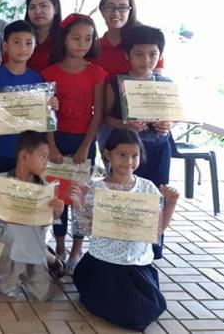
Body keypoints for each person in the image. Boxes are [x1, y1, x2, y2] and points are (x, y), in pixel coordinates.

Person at [72, 129, 178, 332]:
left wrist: (171, 204)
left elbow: (158, 229)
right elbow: (86, 228)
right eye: (122, 155)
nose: (128, 162)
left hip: (135, 262)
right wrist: (78, 204)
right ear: (107, 154)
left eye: (134, 156)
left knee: (139, 313)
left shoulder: (148, 188)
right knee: (115, 307)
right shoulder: (95, 188)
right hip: (104, 260)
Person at [42, 14, 108, 269]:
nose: (82, 43)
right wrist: (51, 146)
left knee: (79, 196)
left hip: (84, 141)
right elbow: (46, 114)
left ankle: (77, 249)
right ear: (64, 39)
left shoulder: (97, 73)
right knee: (58, 196)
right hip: (57, 140)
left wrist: (84, 147)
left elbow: (98, 113)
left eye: (88, 39)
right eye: (76, 38)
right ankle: (59, 243)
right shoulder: (50, 72)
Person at [103, 25, 172, 258]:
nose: (146, 60)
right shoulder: (115, 83)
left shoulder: (166, 84)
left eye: (153, 54)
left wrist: (169, 124)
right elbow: (105, 118)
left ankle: (151, 251)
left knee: (155, 197)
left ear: (160, 55)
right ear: (127, 55)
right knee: (126, 197)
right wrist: (125, 125)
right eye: (139, 54)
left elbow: (174, 117)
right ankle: (121, 248)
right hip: (126, 152)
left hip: (159, 149)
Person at [0, 131, 65, 301]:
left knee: (43, 295)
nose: (46, 162)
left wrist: (57, 210)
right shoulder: (0, 182)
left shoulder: (46, 188)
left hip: (34, 248)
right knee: (5, 289)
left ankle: (50, 259)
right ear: (25, 156)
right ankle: (43, 258)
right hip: (10, 247)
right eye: (42, 157)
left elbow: (49, 220)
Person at [0, 21, 44, 175]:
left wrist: (49, 106)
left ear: (35, 46)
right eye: (16, 42)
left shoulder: (38, 79)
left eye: (28, 43)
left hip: (25, 154)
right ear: (5, 46)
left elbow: (39, 117)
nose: (23, 47)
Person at [92, 0, 164, 78]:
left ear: (130, 11)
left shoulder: (147, 43)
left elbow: (157, 85)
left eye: (122, 7)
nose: (116, 13)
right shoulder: (93, 47)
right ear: (102, 11)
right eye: (110, 7)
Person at [24, 0, 62, 73]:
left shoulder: (66, 38)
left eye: (43, 5)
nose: (37, 11)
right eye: (32, 7)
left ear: (55, 9)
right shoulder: (19, 37)